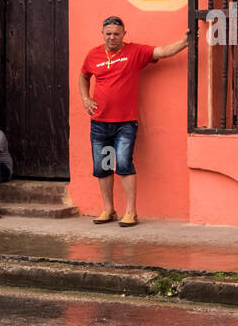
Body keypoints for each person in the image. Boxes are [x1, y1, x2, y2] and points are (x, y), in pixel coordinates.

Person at [78, 15, 191, 227]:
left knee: (123, 164)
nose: (112, 37)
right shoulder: (93, 55)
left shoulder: (135, 52)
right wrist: (85, 98)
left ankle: (131, 212)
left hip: (125, 123)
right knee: (103, 167)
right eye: (108, 33)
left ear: (124, 34)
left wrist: (184, 42)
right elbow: (83, 76)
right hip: (99, 122)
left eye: (116, 34)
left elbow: (161, 51)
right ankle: (108, 210)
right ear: (102, 34)